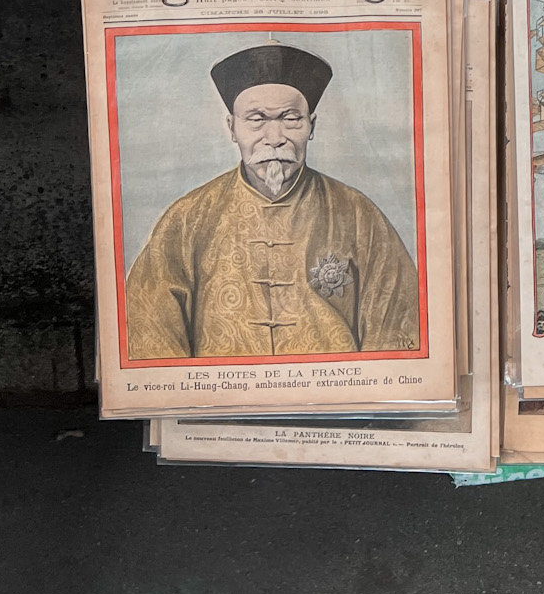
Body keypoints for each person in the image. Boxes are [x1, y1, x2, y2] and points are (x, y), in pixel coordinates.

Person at [123, 43, 419, 361]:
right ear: (232, 128)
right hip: (222, 405)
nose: (275, 137)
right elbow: (149, 328)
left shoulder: (359, 215)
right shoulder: (188, 218)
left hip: (332, 405)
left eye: (291, 119)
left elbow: (397, 328)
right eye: (257, 119)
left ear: (311, 126)